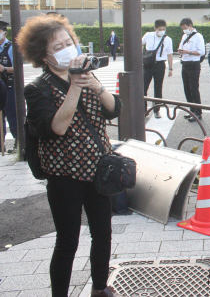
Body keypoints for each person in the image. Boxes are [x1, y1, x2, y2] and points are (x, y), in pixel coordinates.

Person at [17, 15, 123, 297]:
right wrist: (75, 86)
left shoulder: (88, 75)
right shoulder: (37, 89)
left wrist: (95, 86)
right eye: (58, 46)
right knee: (68, 241)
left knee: (103, 233)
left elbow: (113, 109)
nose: (68, 48)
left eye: (69, 42)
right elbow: (56, 127)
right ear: (43, 55)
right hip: (65, 176)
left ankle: (100, 287)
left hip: (99, 169)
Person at [142, 20, 174, 118]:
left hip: (160, 65)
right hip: (148, 64)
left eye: (164, 29)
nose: (162, 31)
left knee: (158, 88)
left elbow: (170, 54)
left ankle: (157, 110)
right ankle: (143, 110)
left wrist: (170, 68)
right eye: (160, 29)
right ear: (155, 29)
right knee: (143, 87)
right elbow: (140, 43)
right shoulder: (148, 35)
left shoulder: (168, 39)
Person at [178, 18, 205, 122]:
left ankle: (198, 113)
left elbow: (201, 51)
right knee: (187, 89)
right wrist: (181, 51)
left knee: (194, 89)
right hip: (185, 63)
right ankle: (192, 111)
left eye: (185, 28)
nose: (184, 30)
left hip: (194, 64)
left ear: (190, 26)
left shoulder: (198, 36)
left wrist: (188, 52)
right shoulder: (184, 36)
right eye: (183, 28)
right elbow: (181, 47)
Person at [0, 21, 17, 150]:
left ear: (4, 32)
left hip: (10, 87)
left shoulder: (11, 47)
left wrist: (4, 69)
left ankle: (18, 141)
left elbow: (18, 68)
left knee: (13, 115)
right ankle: (1, 145)